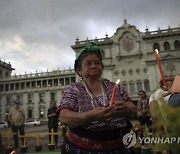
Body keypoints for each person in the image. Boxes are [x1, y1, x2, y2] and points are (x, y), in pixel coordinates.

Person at [56, 42, 137, 154]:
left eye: (97, 63)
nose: (93, 66)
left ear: (101, 67)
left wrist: (125, 108)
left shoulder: (115, 87)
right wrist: (91, 116)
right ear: (80, 71)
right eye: (88, 63)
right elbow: (63, 117)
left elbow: (133, 110)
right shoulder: (74, 89)